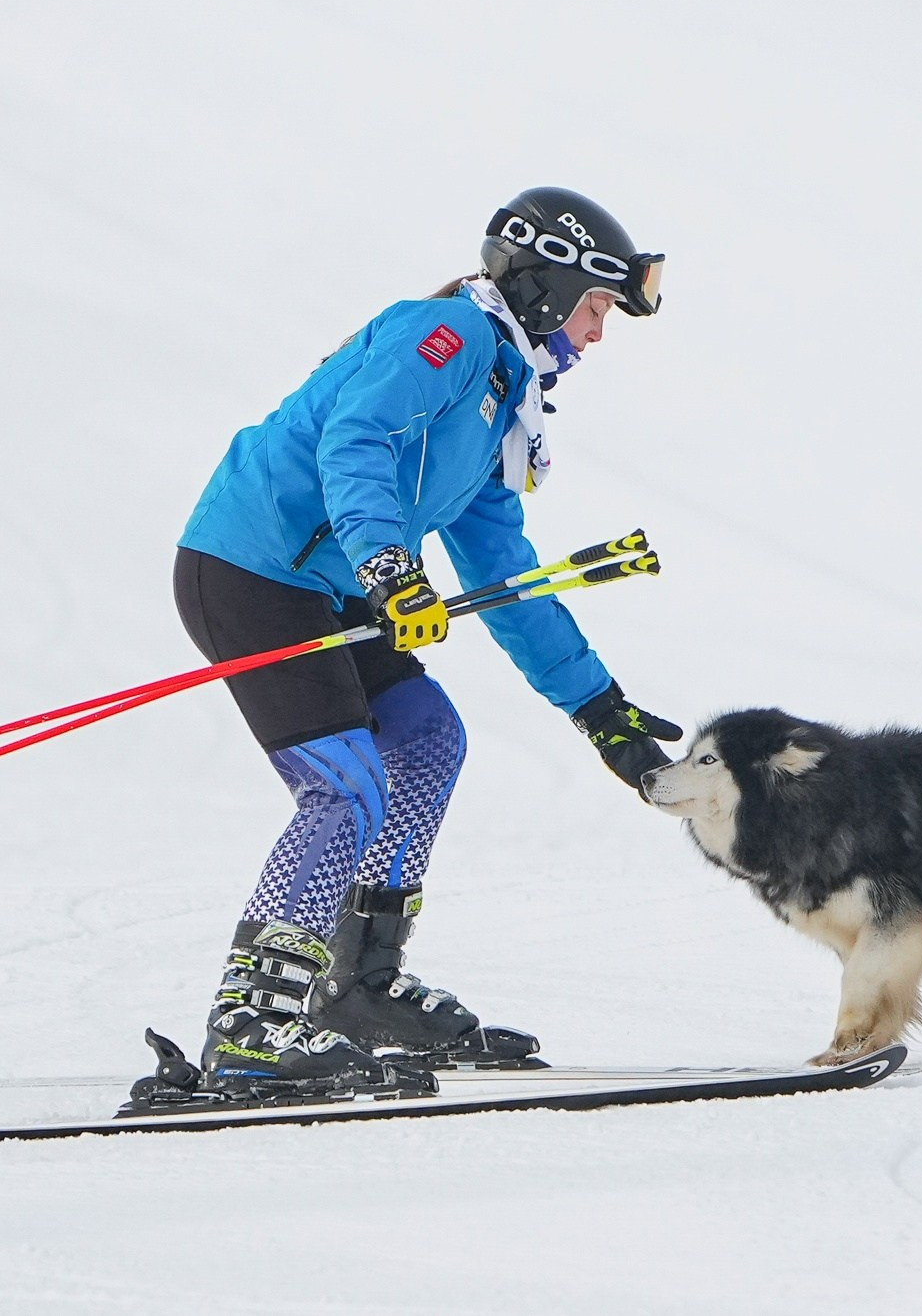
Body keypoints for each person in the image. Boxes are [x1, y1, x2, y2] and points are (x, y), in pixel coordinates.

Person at [172, 188, 683, 1090]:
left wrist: (598, 709)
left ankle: (358, 985)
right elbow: (355, 439)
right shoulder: (445, 335)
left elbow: (506, 574)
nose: (598, 334)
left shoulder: (503, 397)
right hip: (253, 569)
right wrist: (390, 568)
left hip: (333, 588)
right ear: (549, 285)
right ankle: (252, 1023)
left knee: (425, 738)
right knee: (346, 786)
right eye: (597, 306)